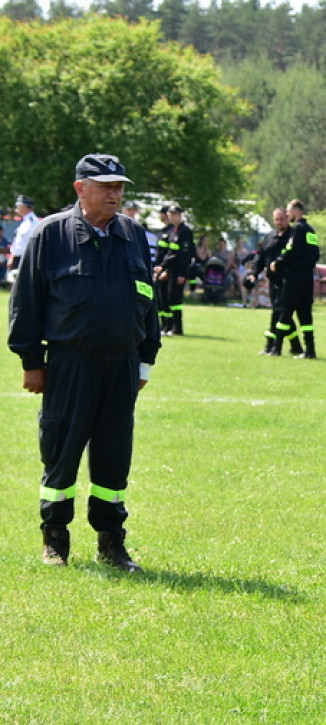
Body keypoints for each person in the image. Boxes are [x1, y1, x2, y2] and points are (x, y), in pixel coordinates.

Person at [7, 153, 160, 572]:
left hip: (122, 364)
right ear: (81, 188)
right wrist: (31, 360)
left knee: (114, 456)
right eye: (106, 186)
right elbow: (26, 301)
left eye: (119, 186)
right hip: (69, 364)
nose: (115, 193)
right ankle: (55, 538)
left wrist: (145, 357)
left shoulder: (132, 234)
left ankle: (112, 541)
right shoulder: (50, 234)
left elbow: (148, 300)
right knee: (61, 451)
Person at [270, 199, 319, 359]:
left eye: (289, 211)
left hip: (294, 278)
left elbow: (292, 250)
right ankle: (310, 350)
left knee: (285, 311)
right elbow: (314, 254)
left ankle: (276, 348)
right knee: (305, 315)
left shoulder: (297, 229)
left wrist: (278, 262)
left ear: (297, 211)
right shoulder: (311, 230)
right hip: (307, 278)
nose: (287, 214)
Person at [246, 208, 297, 355]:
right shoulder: (269, 237)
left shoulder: (293, 236)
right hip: (273, 282)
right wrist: (254, 273)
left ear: (288, 218)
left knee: (279, 313)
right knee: (283, 314)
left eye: (282, 219)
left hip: (288, 281)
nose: (279, 222)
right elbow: (260, 257)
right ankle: (296, 345)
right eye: (277, 219)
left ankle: (272, 346)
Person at [154, 204, 194, 335]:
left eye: (174, 214)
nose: (171, 217)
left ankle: (177, 328)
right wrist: (164, 267)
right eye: (170, 214)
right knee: (166, 298)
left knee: (175, 300)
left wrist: (183, 273)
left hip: (178, 271)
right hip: (170, 269)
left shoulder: (185, 231)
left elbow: (184, 254)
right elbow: (169, 252)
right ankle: (168, 326)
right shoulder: (172, 231)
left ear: (180, 215)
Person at [10, 194, 41, 273]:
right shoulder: (25, 221)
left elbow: (33, 243)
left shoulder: (32, 222)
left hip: (25, 258)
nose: (17, 208)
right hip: (18, 258)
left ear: (25, 207)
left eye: (19, 206)